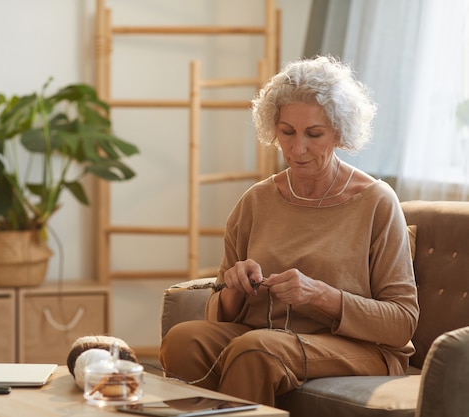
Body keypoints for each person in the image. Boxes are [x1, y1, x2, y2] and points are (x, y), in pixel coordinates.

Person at [159, 55, 419, 406]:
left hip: (359, 348)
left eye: (314, 134)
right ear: (273, 129)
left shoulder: (375, 202)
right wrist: (236, 288)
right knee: (184, 338)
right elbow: (218, 309)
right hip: (267, 337)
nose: (297, 149)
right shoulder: (256, 200)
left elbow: (402, 322)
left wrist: (319, 295)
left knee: (256, 349)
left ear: (340, 132)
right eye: (287, 132)